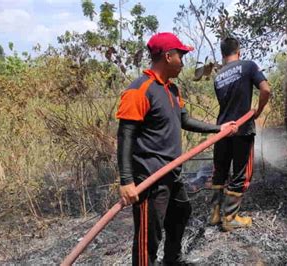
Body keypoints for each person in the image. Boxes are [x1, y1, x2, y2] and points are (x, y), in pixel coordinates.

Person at [116, 32, 237, 265]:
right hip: (150, 177)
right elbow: (125, 135)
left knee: (181, 213)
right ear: (168, 56)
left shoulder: (171, 90)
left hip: (171, 172)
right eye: (181, 55)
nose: (183, 61)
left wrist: (218, 128)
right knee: (148, 237)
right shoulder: (139, 90)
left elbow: (185, 120)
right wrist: (126, 181)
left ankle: (172, 260)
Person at [209, 37, 271, 231]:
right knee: (241, 173)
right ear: (239, 51)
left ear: (222, 54)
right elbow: (266, 90)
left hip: (222, 129)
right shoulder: (249, 65)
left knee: (220, 171)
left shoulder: (218, 76)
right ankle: (230, 218)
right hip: (242, 130)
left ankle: (215, 214)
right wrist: (258, 111)